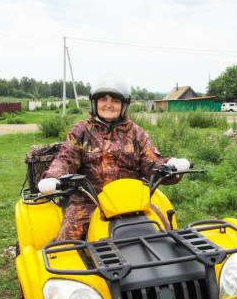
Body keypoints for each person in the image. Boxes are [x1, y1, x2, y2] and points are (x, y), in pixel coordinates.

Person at [38, 81, 190, 241]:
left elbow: (152, 162)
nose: (109, 105)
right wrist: (53, 177)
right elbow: (65, 158)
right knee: (67, 241)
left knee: (166, 234)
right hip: (90, 200)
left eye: (115, 101)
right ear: (94, 103)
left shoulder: (137, 133)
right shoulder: (82, 130)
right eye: (103, 99)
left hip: (132, 200)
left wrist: (171, 165)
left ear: (124, 105)